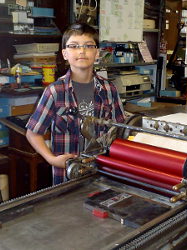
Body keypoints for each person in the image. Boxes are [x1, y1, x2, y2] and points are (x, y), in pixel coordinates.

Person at [26, 22, 125, 185]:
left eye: (88, 46)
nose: (81, 51)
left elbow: (120, 130)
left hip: (102, 170)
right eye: (74, 46)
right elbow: (33, 133)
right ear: (64, 53)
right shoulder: (55, 91)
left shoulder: (109, 89)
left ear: (97, 53)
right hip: (67, 174)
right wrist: (52, 159)